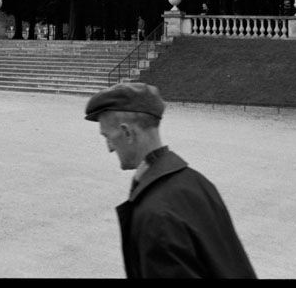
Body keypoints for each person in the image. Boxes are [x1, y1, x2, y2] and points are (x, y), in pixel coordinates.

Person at [85, 83, 256, 279]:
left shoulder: (157, 216)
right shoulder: (197, 182)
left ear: (127, 133)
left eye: (108, 137)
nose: (109, 148)